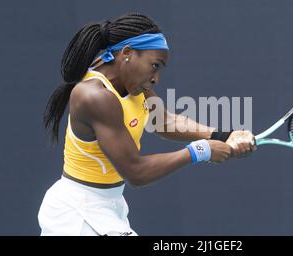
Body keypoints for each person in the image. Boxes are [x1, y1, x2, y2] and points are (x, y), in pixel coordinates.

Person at [39, 13, 256, 236]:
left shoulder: (131, 82)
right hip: (79, 214)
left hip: (109, 207)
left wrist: (222, 135)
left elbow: (165, 121)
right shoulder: (95, 96)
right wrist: (201, 151)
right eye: (154, 65)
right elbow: (136, 172)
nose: (156, 78)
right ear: (127, 54)